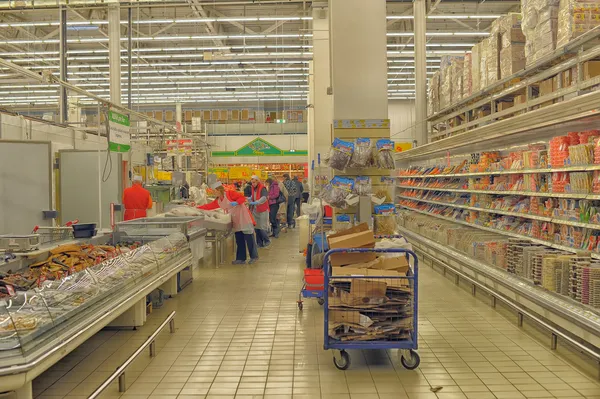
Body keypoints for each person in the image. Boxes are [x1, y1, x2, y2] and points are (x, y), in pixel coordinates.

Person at [198, 181, 258, 265]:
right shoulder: (218, 201)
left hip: (243, 217)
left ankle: (254, 257)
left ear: (219, 190)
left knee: (249, 238)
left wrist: (236, 202)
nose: (214, 193)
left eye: (215, 191)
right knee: (239, 239)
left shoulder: (229, 193)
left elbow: (242, 198)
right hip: (235, 219)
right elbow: (208, 206)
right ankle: (241, 258)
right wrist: (196, 208)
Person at [249, 175, 271, 248]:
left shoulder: (262, 188)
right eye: (252, 182)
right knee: (257, 227)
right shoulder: (252, 188)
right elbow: (253, 196)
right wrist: (250, 199)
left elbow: (264, 197)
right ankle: (259, 243)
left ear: (258, 181)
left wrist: (257, 202)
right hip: (255, 210)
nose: (253, 184)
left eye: (254, 182)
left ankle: (267, 240)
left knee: (262, 227)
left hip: (263, 210)